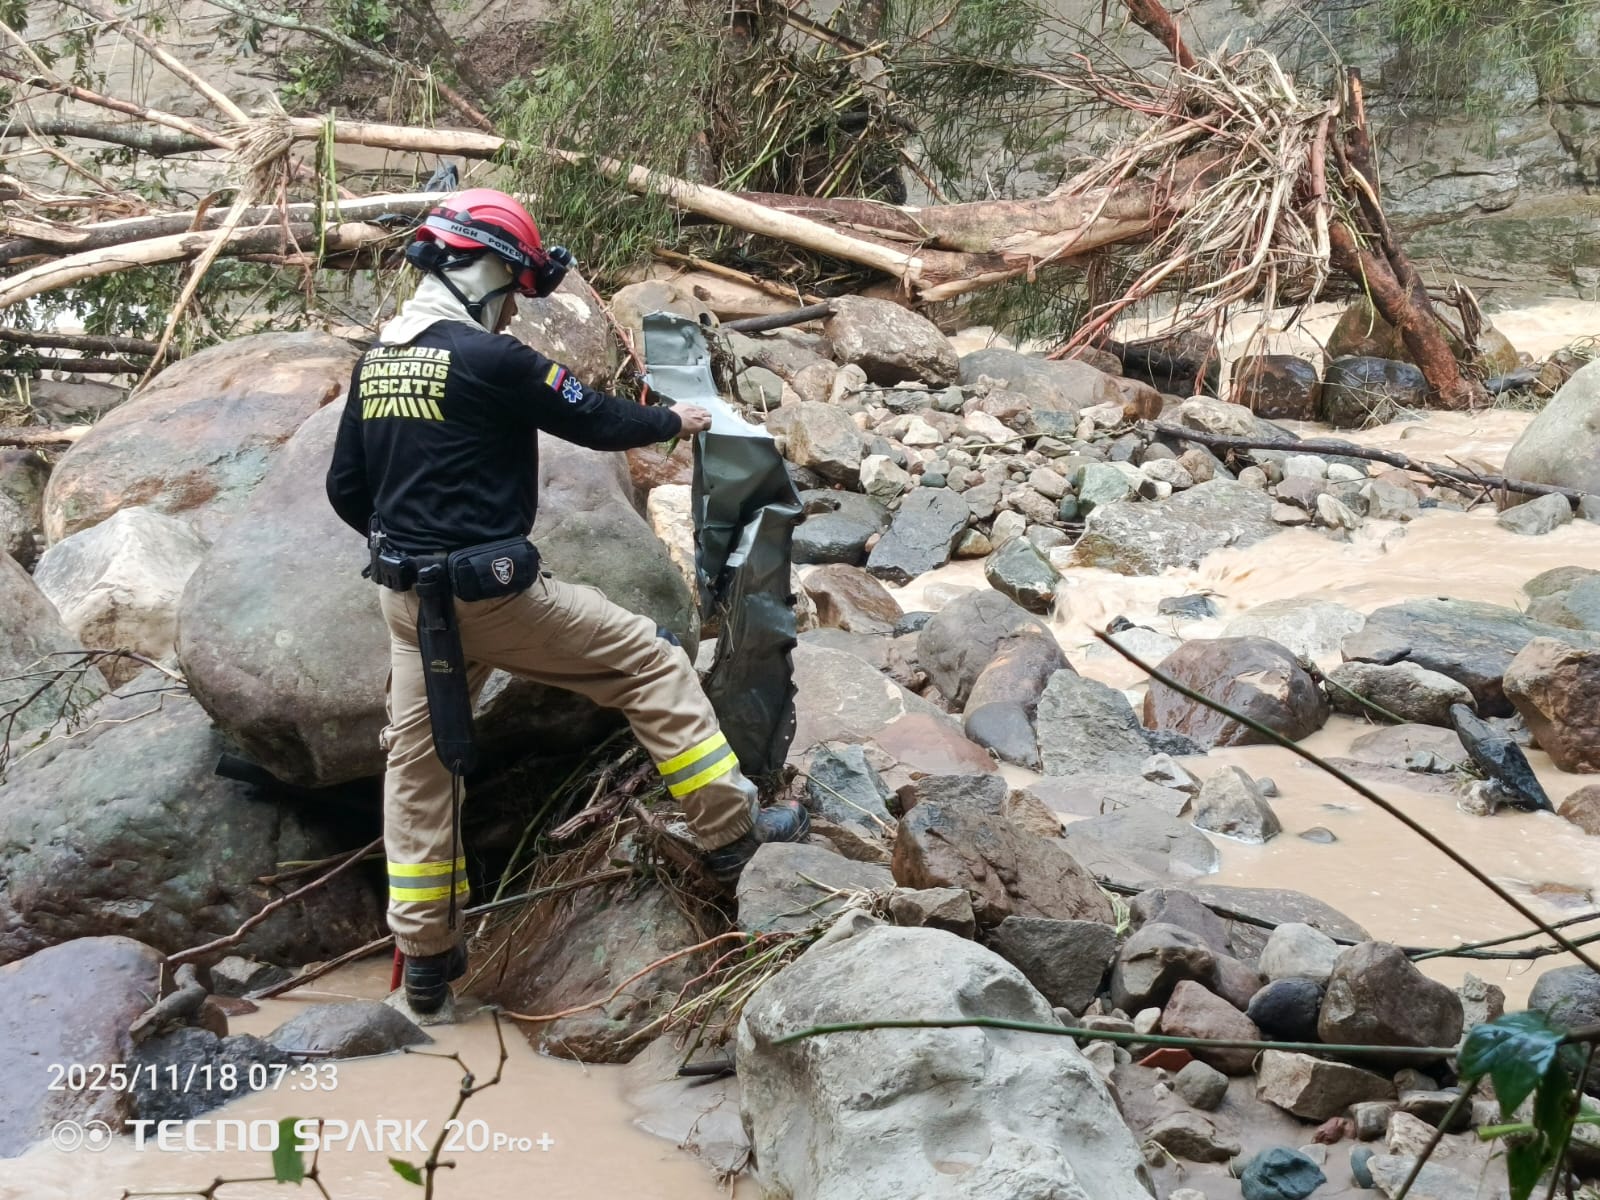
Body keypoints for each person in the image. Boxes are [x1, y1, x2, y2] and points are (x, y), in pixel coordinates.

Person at [325, 188, 808, 1014]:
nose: (514, 305)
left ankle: (429, 961)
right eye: (513, 286)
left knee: (420, 765)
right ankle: (730, 834)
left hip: (408, 605)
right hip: (496, 598)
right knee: (650, 664)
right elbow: (593, 420)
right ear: (481, 270)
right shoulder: (494, 361)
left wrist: (415, 540)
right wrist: (676, 421)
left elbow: (346, 490)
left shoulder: (381, 360)